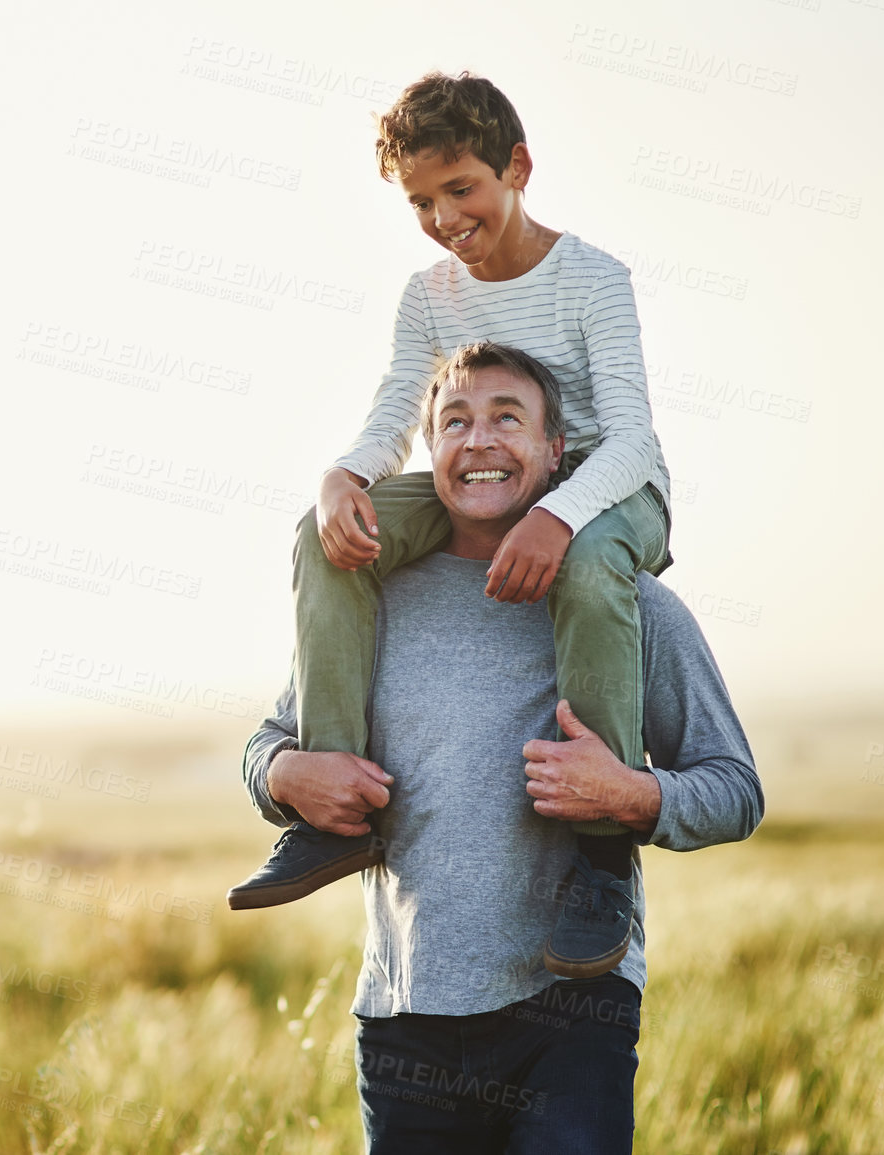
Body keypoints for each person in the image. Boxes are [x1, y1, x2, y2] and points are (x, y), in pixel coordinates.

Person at [240, 343, 761, 1150]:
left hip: (571, 1013)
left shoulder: (628, 603)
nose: (478, 439)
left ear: (558, 453)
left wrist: (632, 795)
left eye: (507, 419)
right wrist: (283, 772)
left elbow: (735, 787)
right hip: (404, 1016)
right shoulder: (372, 594)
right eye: (455, 421)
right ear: (428, 451)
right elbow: (271, 742)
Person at [228, 70, 674, 980]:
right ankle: (334, 807)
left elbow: (630, 435)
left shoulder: (592, 279)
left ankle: (597, 859)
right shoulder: (428, 293)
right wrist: (343, 475)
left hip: (603, 485)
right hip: (477, 476)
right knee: (325, 536)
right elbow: (401, 403)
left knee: (589, 568)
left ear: (516, 167)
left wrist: (557, 515)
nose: (441, 217)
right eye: (419, 201)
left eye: (458, 189)